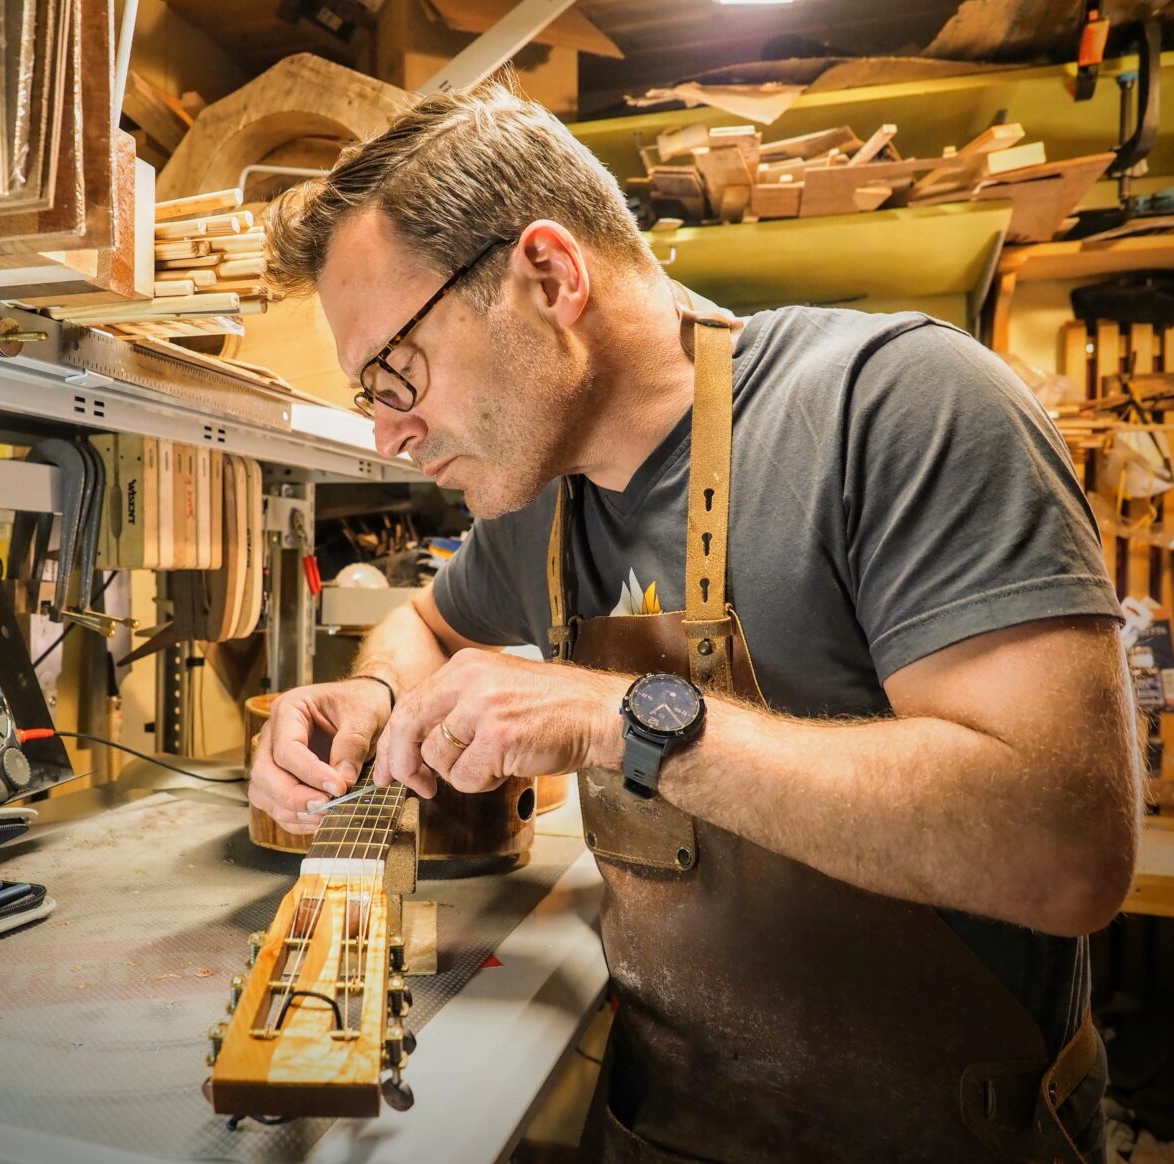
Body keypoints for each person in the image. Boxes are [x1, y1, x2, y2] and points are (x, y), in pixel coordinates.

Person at [248, 77, 1139, 1163]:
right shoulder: (535, 499)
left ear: (548, 274)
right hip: (665, 1131)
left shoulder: (894, 405)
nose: (390, 437)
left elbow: (1067, 854)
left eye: (397, 373)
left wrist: (624, 720)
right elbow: (427, 624)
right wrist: (372, 694)